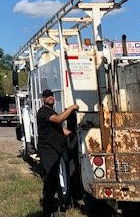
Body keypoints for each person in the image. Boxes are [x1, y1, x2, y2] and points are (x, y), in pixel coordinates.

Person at [37, 89, 79, 217]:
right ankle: (47, 210)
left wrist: (73, 135)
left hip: (56, 151)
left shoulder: (51, 111)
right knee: (50, 180)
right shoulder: (43, 111)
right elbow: (58, 119)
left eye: (52, 96)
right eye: (48, 96)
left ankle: (54, 206)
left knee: (55, 180)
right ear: (43, 99)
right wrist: (71, 108)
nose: (51, 98)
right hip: (48, 151)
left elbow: (60, 129)